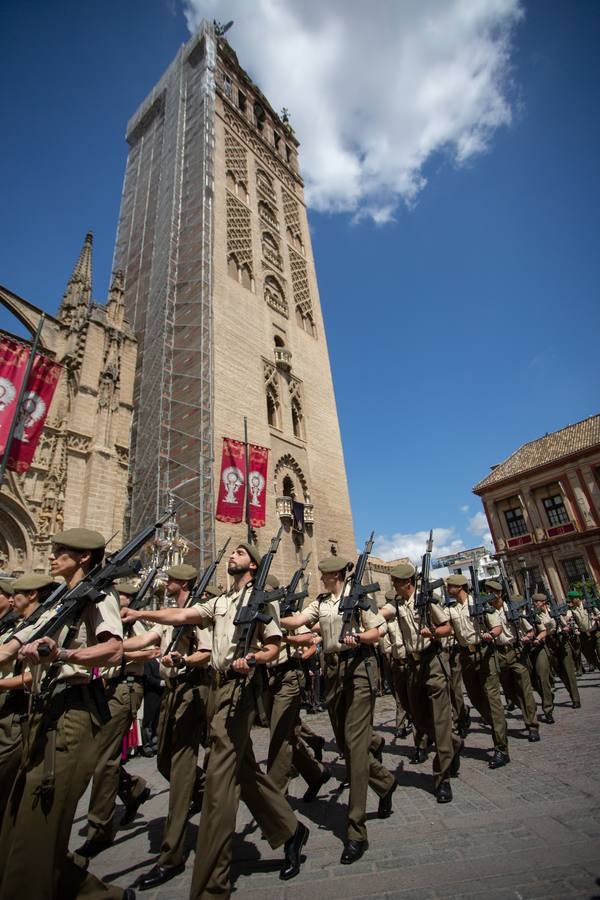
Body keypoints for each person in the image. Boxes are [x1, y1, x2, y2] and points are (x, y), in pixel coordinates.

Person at [122, 542, 309, 899]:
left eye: (240, 553)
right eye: (233, 553)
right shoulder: (221, 602)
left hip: (239, 693)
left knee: (219, 785)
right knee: (245, 771)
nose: (232, 556)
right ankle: (289, 829)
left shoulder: (262, 601)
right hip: (216, 690)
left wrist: (253, 658)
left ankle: (211, 886)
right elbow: (184, 617)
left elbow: (272, 645)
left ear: (252, 565)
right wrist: (143, 615)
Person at [0, 528, 133, 900]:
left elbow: (113, 650)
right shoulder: (59, 600)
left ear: (84, 557)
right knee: (15, 833)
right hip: (42, 714)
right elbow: (14, 643)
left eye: (62, 550)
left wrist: (62, 655)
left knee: (34, 834)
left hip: (72, 713)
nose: (53, 554)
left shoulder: (99, 594)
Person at [281, 555, 397, 865]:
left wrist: (358, 636)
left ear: (336, 574)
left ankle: (356, 830)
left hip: (359, 665)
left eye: (326, 574)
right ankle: (385, 782)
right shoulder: (320, 602)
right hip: (333, 671)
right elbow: (299, 621)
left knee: (356, 746)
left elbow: (379, 630)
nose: (322, 577)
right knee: (346, 744)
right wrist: (274, 618)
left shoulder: (359, 597)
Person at [120, 564, 212, 890]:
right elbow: (149, 636)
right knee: (163, 760)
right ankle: (204, 789)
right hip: (173, 692)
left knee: (181, 768)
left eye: (171, 579)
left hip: (194, 690)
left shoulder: (201, 611)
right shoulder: (172, 614)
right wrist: (110, 650)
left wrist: (185, 661)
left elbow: (206, 652)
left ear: (184, 582)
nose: (167, 582)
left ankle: (171, 854)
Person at [77, 581, 154, 858]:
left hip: (126, 687)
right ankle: (134, 789)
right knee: (97, 753)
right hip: (102, 689)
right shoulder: (107, 621)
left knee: (104, 758)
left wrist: (118, 653)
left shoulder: (132, 623)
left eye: (117, 596)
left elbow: (151, 651)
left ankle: (100, 828)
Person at [381, 563, 461, 802]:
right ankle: (453, 742)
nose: (392, 585)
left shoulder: (428, 600)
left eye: (395, 581)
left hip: (433, 662)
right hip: (412, 667)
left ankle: (442, 779)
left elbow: (448, 627)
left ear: (407, 583)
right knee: (418, 718)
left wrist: (434, 632)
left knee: (439, 718)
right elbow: (382, 613)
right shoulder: (397, 603)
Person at [262, 574, 330, 802]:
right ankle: (316, 773)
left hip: (290, 675)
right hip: (269, 678)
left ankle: (276, 800)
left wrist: (283, 638)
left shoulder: (287, 615)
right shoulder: (258, 614)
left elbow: (309, 639)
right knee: (287, 733)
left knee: (279, 737)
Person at [0, 574, 58, 808]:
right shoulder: (17, 626)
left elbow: (35, 674)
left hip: (17, 708)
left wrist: (2, 685)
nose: (13, 600)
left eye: (16, 595)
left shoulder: (39, 628)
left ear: (32, 595)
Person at [445, 574, 510, 769]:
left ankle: (501, 748)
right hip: (465, 656)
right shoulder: (452, 609)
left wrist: (491, 634)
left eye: (451, 585)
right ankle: (498, 724)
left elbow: (497, 626)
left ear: (461, 586)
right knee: (474, 698)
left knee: (492, 698)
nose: (448, 588)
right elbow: (447, 629)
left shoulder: (481, 604)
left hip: (484, 652)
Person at [485, 581, 540, 743]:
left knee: (525, 689)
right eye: (487, 592)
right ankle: (526, 708)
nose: (489, 595)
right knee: (508, 691)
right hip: (497, 654)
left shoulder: (512, 609)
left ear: (500, 593)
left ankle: (532, 725)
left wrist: (527, 637)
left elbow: (530, 630)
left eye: (492, 592)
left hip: (515, 651)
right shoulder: (486, 612)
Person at [533, 592, 581, 708]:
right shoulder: (536, 615)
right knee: (560, 672)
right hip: (549, 643)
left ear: (543, 602)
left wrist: (565, 627)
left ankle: (575, 699)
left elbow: (565, 624)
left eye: (537, 602)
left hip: (561, 641)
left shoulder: (554, 611)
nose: (535, 604)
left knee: (569, 672)